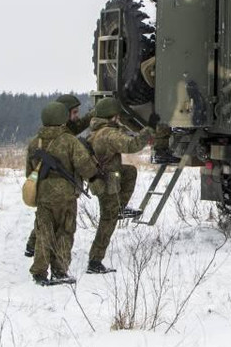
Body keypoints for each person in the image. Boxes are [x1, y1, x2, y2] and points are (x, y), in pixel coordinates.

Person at [25, 101, 101, 286]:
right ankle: (59, 270)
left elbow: (29, 173)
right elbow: (85, 166)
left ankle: (39, 272)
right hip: (66, 196)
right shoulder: (69, 141)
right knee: (65, 232)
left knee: (44, 232)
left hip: (43, 195)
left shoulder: (35, 142)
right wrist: (94, 173)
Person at [84, 98, 153, 274]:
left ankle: (121, 207)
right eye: (117, 116)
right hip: (107, 182)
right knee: (108, 220)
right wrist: (149, 129)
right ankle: (95, 261)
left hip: (103, 178)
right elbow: (132, 145)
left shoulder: (96, 132)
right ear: (113, 116)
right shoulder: (108, 134)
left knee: (129, 171)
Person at [25, 93, 90, 257]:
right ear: (64, 114)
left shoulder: (49, 134)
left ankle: (34, 246)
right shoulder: (63, 135)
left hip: (47, 189)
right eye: (74, 112)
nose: (77, 116)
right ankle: (42, 252)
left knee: (45, 218)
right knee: (60, 224)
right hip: (62, 188)